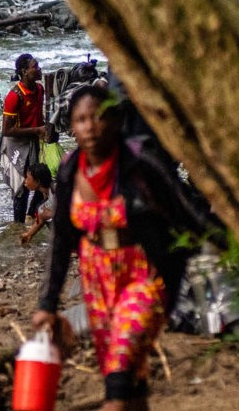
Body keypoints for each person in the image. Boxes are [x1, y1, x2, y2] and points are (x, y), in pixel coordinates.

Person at [33, 85, 224, 410]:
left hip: (144, 276)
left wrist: (224, 240)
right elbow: (62, 239)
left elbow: (187, 212)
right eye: (81, 120)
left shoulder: (140, 164)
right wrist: (47, 302)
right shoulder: (69, 171)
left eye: (98, 117)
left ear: (116, 121)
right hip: (98, 280)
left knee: (118, 378)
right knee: (129, 377)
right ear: (72, 127)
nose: (90, 127)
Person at [0, 53, 47, 223]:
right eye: (35, 66)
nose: (39, 69)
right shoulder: (14, 96)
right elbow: (7, 130)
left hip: (35, 140)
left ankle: (31, 215)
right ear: (24, 71)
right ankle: (18, 226)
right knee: (22, 187)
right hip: (18, 146)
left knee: (43, 182)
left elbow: (39, 114)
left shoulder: (40, 89)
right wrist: (37, 130)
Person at [19, 162, 54, 244]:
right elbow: (41, 217)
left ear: (38, 181)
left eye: (28, 178)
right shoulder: (47, 192)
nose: (25, 181)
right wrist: (29, 234)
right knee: (41, 209)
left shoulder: (56, 192)